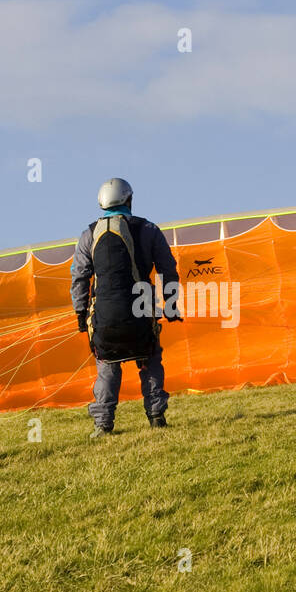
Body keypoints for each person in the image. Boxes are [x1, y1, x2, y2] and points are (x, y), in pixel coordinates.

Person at [71, 178, 181, 434]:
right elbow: (168, 269)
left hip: (104, 318)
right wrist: (171, 305)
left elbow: (79, 276)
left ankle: (103, 424)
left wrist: (80, 312)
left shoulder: (89, 234)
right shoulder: (149, 229)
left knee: (107, 364)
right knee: (149, 357)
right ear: (129, 199)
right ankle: (156, 416)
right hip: (141, 312)